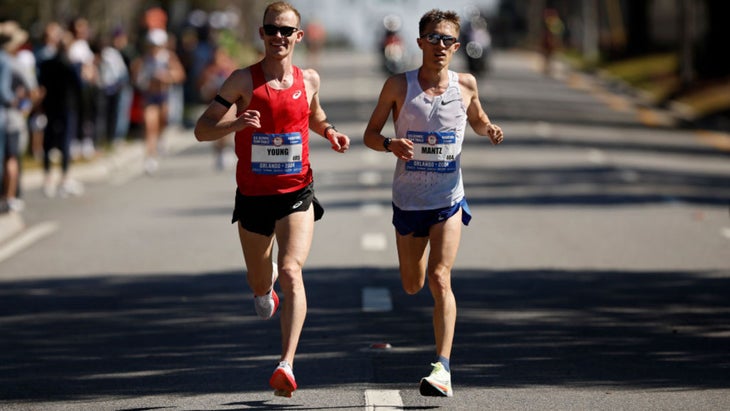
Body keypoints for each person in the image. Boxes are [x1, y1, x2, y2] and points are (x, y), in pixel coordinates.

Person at [194, 1, 349, 398]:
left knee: (292, 270)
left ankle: (287, 363)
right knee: (261, 280)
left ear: (299, 36)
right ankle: (264, 292)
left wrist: (329, 132)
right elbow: (202, 129)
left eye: (286, 31)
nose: (278, 37)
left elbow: (314, 114)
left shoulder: (309, 78)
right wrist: (236, 122)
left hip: (297, 191)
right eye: (271, 29)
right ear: (261, 34)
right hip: (252, 196)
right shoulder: (242, 81)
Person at [363, 9, 503, 398]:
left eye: (448, 41)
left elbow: (476, 118)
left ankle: (442, 368)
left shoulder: (467, 84)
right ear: (420, 41)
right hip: (409, 200)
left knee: (441, 277)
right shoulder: (397, 85)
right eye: (434, 38)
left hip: (448, 198)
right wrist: (391, 144)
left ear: (457, 47)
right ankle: (418, 283)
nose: (441, 46)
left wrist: (487, 128)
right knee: (413, 283)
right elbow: (370, 134)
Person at [130, 28, 185, 174]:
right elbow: (136, 78)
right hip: (149, 97)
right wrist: (145, 80)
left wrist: (166, 76)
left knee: (162, 122)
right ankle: (150, 157)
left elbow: (180, 75)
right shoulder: (143, 60)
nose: (154, 48)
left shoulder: (168, 58)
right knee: (149, 125)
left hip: (164, 97)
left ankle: (160, 140)